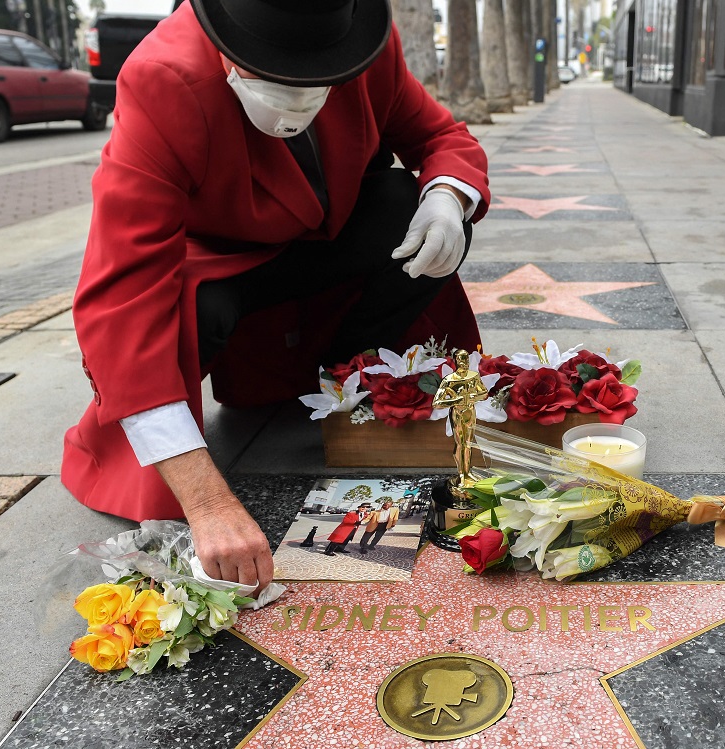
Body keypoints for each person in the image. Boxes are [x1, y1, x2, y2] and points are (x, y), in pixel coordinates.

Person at [61, 0, 489, 597]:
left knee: (406, 208)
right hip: (224, 266)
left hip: (329, 240)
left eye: (316, 80)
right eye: (275, 77)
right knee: (189, 305)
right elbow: (123, 288)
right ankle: (244, 393)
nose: (298, 98)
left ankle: (349, 376)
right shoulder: (163, 77)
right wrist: (207, 502)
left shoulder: (364, 45)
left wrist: (448, 194)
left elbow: (441, 135)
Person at [431, 349, 489, 492]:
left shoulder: (474, 376)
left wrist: (472, 397)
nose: (464, 363)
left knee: (468, 444)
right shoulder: (449, 380)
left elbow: (484, 393)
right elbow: (436, 403)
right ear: (456, 361)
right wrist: (456, 400)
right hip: (457, 413)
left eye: (466, 360)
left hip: (470, 412)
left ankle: (468, 472)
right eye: (461, 360)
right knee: (460, 443)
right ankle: (461, 474)